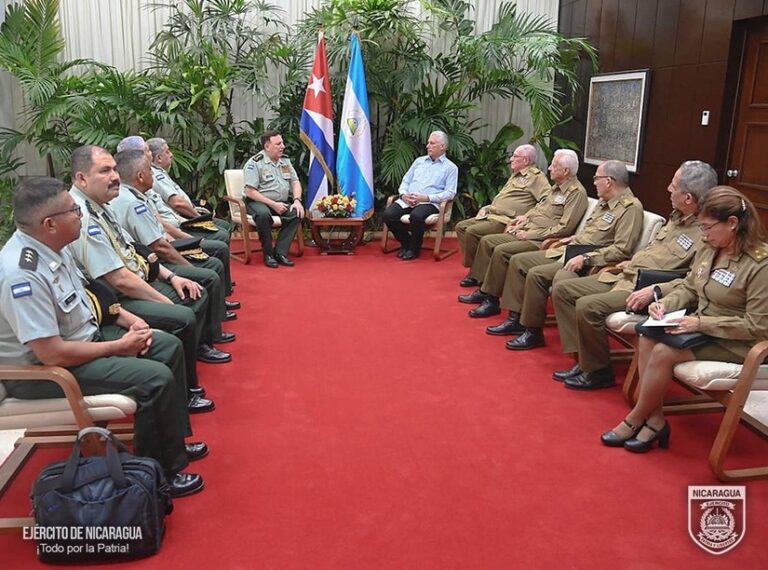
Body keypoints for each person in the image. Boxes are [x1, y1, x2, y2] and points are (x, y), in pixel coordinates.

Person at [0, 177, 206, 497]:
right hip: (43, 372)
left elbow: (88, 297)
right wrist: (119, 347)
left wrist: (128, 319)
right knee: (155, 378)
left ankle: (171, 442)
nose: (80, 214)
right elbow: (51, 353)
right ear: (50, 224)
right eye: (74, 211)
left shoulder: (54, 246)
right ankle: (162, 475)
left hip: (84, 341)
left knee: (168, 345)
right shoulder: (22, 274)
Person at [601, 187, 768, 452]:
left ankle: (635, 418)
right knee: (647, 337)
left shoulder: (760, 265)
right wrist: (664, 304)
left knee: (663, 353)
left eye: (708, 227)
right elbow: (690, 287)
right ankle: (655, 420)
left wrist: (701, 324)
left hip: (737, 342)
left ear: (732, 223)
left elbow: (757, 326)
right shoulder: (710, 248)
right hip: (700, 328)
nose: (703, 234)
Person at [68, 145, 229, 411]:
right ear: (82, 178)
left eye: (114, 169)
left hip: (139, 277)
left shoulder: (100, 206)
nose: (115, 176)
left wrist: (172, 277)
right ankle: (186, 390)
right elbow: (119, 279)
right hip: (116, 299)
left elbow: (134, 250)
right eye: (105, 171)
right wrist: (166, 302)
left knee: (195, 289)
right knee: (183, 314)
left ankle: (196, 351)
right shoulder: (83, 217)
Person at [551, 161, 717, 390]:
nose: (668, 189)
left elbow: (691, 279)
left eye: (673, 185)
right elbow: (656, 251)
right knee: (563, 289)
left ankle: (598, 371)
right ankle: (583, 359)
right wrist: (631, 263)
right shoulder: (677, 218)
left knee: (588, 306)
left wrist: (654, 290)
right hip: (625, 274)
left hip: (645, 289)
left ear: (688, 197)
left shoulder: (706, 232)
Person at [492, 160, 643, 350]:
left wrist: (586, 258)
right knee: (519, 261)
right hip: (570, 249)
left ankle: (533, 331)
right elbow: (592, 232)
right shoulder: (604, 202)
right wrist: (573, 238)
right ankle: (515, 319)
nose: (594, 182)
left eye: (597, 178)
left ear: (609, 181)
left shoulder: (630, 208)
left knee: (537, 275)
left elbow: (621, 250)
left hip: (587, 261)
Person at [111, 149, 237, 344]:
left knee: (212, 259)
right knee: (209, 274)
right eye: (150, 170)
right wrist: (188, 267)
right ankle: (210, 337)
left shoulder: (135, 196)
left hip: (157, 255)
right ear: (140, 176)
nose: (153, 174)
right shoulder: (132, 203)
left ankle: (218, 309)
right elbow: (160, 247)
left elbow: (160, 229)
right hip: (154, 263)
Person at [458, 149, 588, 318]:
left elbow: (564, 228)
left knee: (501, 251)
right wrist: (523, 220)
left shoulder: (576, 193)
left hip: (540, 240)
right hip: (527, 230)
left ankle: (491, 299)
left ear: (565, 171)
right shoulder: (556, 188)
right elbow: (538, 209)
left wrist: (530, 234)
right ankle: (485, 290)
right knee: (488, 242)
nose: (549, 168)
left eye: (553, 165)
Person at [119, 135, 236, 299]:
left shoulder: (141, 187)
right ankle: (219, 295)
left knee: (221, 234)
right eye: (146, 151)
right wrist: (189, 238)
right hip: (165, 245)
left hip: (172, 233)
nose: (150, 154)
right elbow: (160, 239)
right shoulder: (133, 199)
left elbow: (159, 221)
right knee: (217, 253)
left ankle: (221, 293)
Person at [455, 144, 549, 283]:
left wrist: (527, 215)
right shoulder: (515, 175)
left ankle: (477, 274)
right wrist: (488, 207)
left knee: (472, 232)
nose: (511, 159)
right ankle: (478, 267)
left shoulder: (536, 177)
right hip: (492, 214)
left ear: (525, 160)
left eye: (515, 156)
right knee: (461, 227)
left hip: (506, 219)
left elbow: (546, 200)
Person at [382, 131, 458, 260]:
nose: (428, 146)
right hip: (408, 200)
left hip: (429, 202)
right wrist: (403, 195)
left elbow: (450, 193)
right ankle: (407, 243)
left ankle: (414, 249)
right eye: (428, 143)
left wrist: (427, 198)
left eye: (432, 143)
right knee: (388, 215)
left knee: (416, 216)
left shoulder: (451, 168)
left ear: (442, 147)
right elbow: (406, 180)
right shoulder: (419, 161)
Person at [146, 136, 233, 241]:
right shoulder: (157, 176)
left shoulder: (160, 173)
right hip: (181, 220)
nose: (171, 155)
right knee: (222, 234)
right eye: (167, 152)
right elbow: (177, 203)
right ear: (159, 158)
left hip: (183, 217)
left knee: (224, 226)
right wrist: (199, 218)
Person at [242, 130, 304, 268]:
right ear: (267, 146)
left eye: (282, 143)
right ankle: (268, 254)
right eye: (278, 144)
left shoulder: (285, 161)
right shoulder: (255, 163)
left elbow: (295, 182)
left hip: (280, 202)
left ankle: (280, 253)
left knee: (296, 213)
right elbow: (250, 191)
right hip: (258, 201)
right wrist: (273, 204)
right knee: (263, 215)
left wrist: (297, 200)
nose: (283, 146)